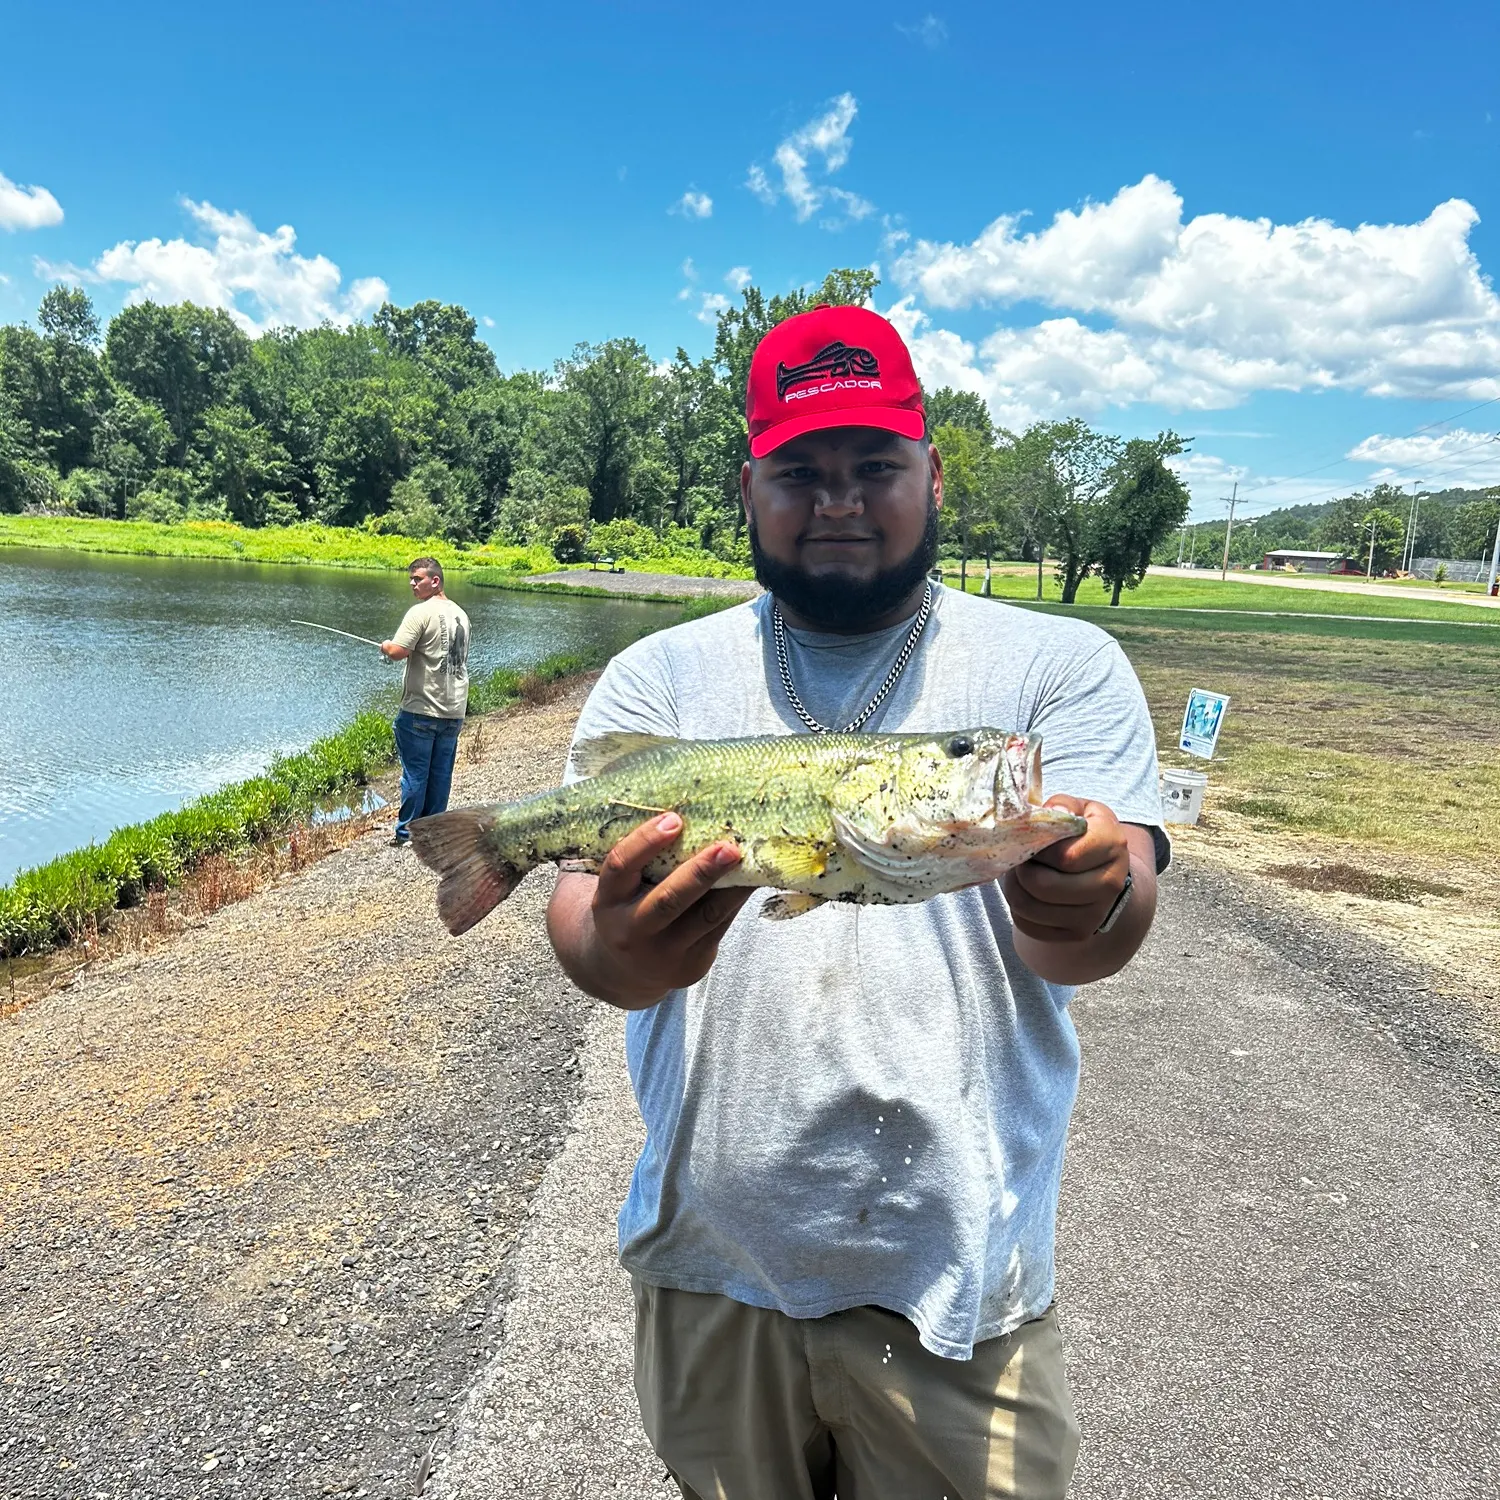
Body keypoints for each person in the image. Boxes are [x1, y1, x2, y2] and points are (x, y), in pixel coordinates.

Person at [545, 305, 1170, 1499]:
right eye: (800, 471)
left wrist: (1084, 891)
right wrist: (626, 950)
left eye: (874, 466)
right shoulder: (660, 678)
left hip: (961, 1275)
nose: (838, 498)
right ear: (750, 489)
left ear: (931, 475)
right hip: (711, 1261)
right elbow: (590, 941)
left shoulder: (1057, 670)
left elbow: (1103, 932)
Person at [380, 556, 470, 847]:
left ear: (435, 581)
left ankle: (407, 834)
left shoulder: (420, 612)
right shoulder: (462, 615)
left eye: (417, 579)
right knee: (441, 774)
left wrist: (385, 646)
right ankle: (433, 836)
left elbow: (398, 651)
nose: (412, 584)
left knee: (415, 774)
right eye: (411, 579)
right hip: (454, 709)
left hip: (421, 708)